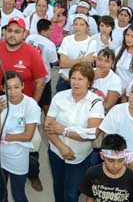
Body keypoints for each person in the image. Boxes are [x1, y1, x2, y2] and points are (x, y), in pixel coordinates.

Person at [0, 16, 47, 190]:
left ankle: (33, 174)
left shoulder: (32, 52)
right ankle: (0, 169)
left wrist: (32, 106)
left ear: (24, 34)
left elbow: (41, 81)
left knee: (30, 146)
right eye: (9, 31)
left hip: (23, 109)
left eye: (17, 31)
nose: (12, 35)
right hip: (0, 108)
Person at [45, 62, 105, 202]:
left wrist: (63, 130)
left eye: (81, 79)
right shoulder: (59, 97)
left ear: (89, 82)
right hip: (56, 151)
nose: (76, 83)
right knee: (58, 187)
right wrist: (62, 147)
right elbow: (48, 126)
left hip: (79, 156)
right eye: (73, 78)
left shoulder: (95, 102)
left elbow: (91, 133)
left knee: (72, 193)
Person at [0, 72, 41, 202]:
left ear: (22, 86)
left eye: (16, 87)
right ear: (2, 88)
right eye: (8, 88)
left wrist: (3, 136)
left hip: (18, 156)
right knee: (0, 189)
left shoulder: (30, 104)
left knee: (18, 193)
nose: (12, 92)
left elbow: (27, 136)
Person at [79, 134, 133, 202]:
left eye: (120, 160)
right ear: (102, 156)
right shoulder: (92, 173)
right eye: (111, 160)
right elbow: (90, 198)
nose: (116, 165)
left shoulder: (132, 177)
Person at [56, 14, 97, 92]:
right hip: (64, 81)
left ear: (87, 27)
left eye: (81, 25)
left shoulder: (92, 42)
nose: (78, 27)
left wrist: (70, 62)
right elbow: (63, 64)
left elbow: (86, 66)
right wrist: (82, 59)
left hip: (80, 83)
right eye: (76, 24)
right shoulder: (67, 40)